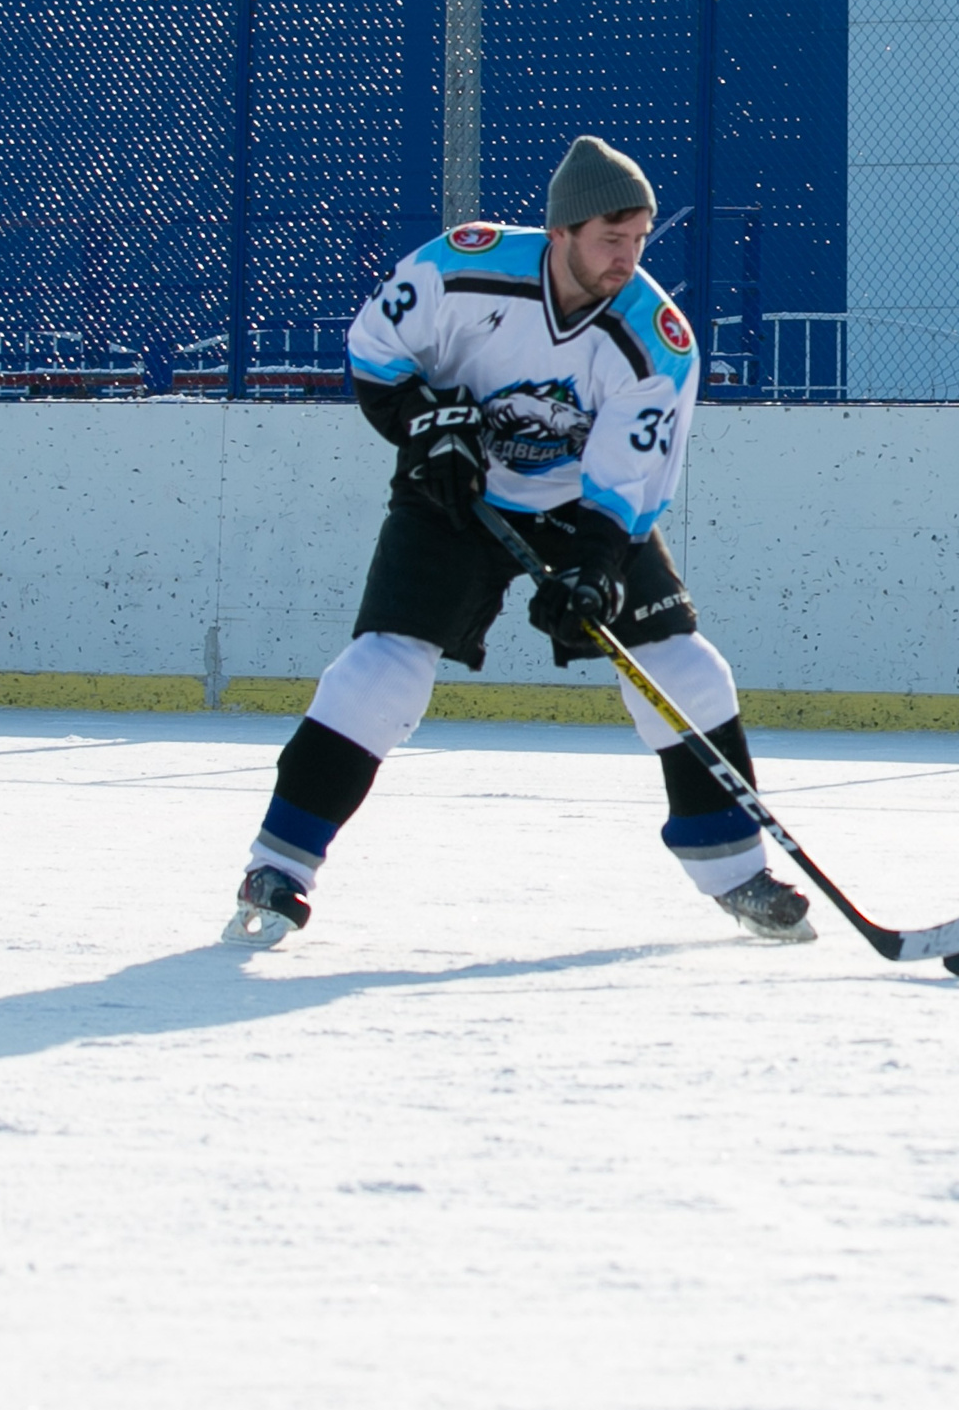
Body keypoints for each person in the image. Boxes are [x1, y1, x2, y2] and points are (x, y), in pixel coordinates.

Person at [221, 136, 814, 949]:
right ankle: (278, 865)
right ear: (562, 230)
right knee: (383, 670)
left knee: (686, 668)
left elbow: (627, 485)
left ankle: (735, 868)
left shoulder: (656, 339)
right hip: (453, 496)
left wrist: (595, 572)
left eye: (641, 237)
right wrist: (422, 427)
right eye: (612, 236)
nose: (627, 257)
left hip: (581, 506)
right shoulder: (462, 268)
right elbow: (373, 354)